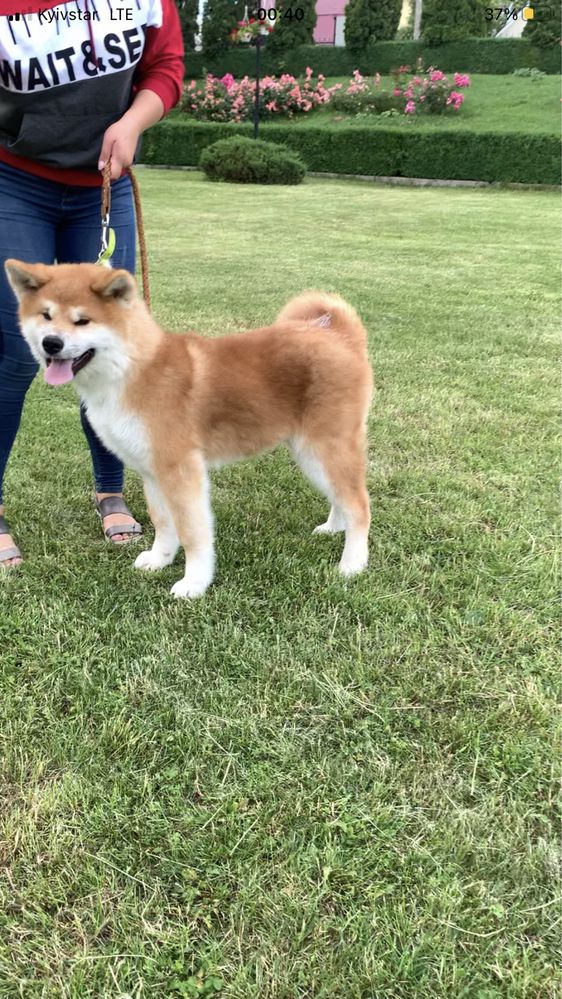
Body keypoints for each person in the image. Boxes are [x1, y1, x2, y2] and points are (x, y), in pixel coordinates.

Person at [0, 0, 185, 566]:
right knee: (12, 350)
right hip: (15, 179)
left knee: (114, 345)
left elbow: (165, 66)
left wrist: (132, 122)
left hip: (104, 184)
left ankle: (111, 490)